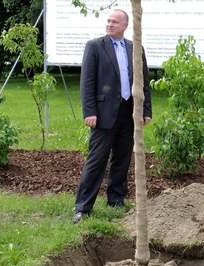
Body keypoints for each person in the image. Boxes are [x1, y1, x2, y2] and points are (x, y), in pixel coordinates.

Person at [73, 9, 152, 223]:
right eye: (108, 21)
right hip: (103, 113)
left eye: (115, 22)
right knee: (96, 160)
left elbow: (143, 81)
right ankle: (82, 207)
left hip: (129, 113)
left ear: (125, 25)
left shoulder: (135, 48)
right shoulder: (95, 47)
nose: (110, 24)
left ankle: (116, 200)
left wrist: (146, 111)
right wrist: (89, 111)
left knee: (122, 158)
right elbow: (87, 82)